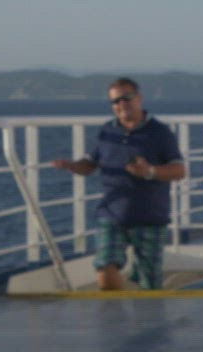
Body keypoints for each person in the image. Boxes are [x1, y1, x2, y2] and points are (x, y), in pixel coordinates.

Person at [48, 78, 186, 290]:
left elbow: (179, 171)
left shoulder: (160, 133)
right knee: (105, 267)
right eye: (115, 101)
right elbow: (90, 164)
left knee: (149, 286)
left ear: (139, 98)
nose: (121, 104)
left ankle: (142, 311)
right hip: (112, 215)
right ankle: (114, 311)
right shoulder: (107, 131)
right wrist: (72, 166)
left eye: (126, 98)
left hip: (150, 217)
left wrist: (150, 171)